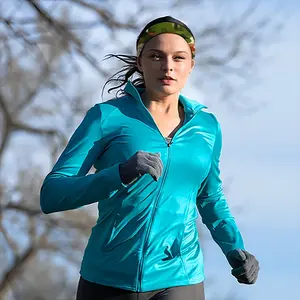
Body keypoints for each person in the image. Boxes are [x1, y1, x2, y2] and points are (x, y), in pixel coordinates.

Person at [40, 16, 259, 300]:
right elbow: (52, 194)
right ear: (140, 62)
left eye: (178, 58)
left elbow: (210, 197)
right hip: (107, 277)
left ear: (190, 65)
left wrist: (235, 248)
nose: (167, 66)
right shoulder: (107, 117)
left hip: (180, 276)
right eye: (156, 56)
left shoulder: (207, 127)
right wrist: (120, 173)